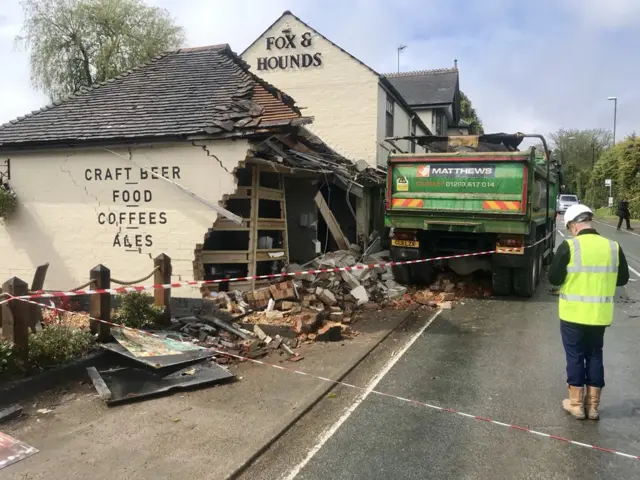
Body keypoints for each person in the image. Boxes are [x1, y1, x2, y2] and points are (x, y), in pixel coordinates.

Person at [548, 204, 629, 420]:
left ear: (574, 226)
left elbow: (553, 278)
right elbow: (622, 279)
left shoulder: (569, 247)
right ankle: (593, 407)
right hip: (599, 315)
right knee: (594, 355)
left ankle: (576, 405)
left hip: (573, 314)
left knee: (575, 356)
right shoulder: (613, 246)